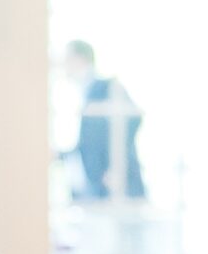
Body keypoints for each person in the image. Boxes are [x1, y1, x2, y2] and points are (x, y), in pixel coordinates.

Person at [60, 39, 146, 202]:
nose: (63, 66)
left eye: (66, 59)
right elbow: (86, 145)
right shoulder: (82, 94)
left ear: (80, 58)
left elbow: (133, 118)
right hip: (95, 190)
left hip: (118, 187)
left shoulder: (107, 88)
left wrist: (116, 167)